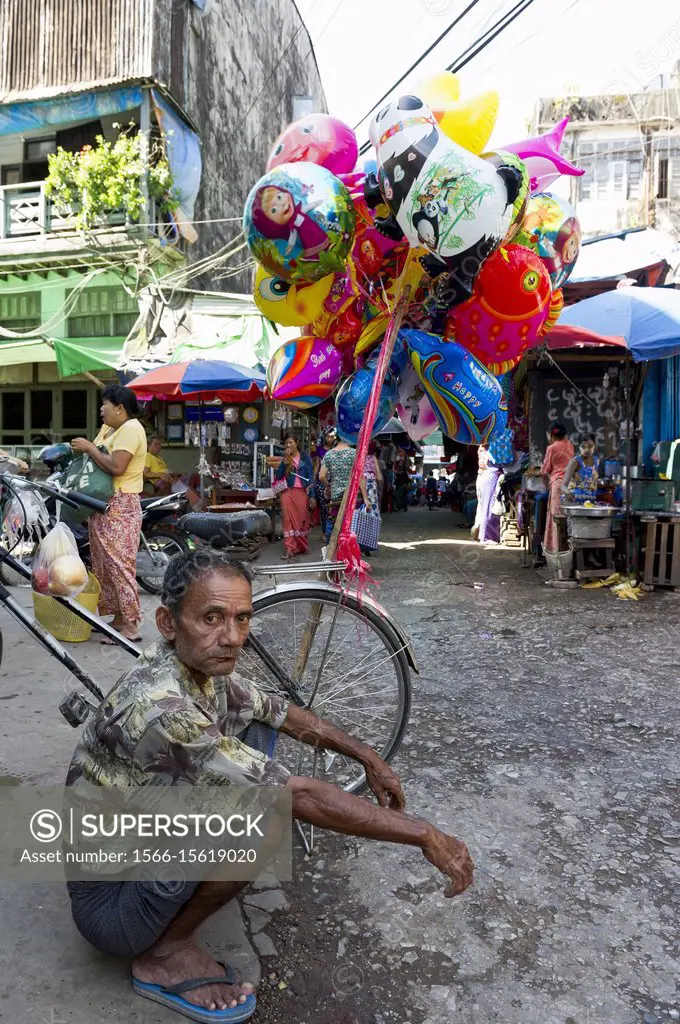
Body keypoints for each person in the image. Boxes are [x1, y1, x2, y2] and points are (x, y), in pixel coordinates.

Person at [65, 551, 474, 1020]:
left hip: (131, 855)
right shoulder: (165, 705)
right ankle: (164, 955)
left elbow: (275, 710)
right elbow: (294, 794)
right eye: (212, 618)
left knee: (256, 732)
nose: (233, 637)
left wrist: (367, 756)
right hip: (110, 909)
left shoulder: (194, 667)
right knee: (268, 817)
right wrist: (423, 833)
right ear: (168, 622)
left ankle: (177, 910)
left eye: (242, 619)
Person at [72, 385, 146, 642]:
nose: (101, 409)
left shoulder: (131, 429)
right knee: (103, 565)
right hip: (102, 504)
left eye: (105, 404)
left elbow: (116, 467)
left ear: (120, 408)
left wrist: (89, 449)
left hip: (121, 505)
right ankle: (117, 617)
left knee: (119, 565)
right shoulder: (110, 428)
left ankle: (131, 625)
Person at [319, 431, 367, 543]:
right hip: (352, 496)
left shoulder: (329, 454)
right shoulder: (354, 453)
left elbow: (321, 476)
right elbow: (360, 477)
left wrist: (329, 486)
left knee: (334, 521)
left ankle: (330, 546)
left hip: (336, 496)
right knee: (351, 524)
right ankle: (349, 550)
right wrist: (366, 497)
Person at [274, 434, 315, 559]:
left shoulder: (305, 458)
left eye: (290, 442)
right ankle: (290, 549)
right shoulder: (286, 459)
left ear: (296, 443)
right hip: (287, 492)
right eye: (286, 443)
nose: (288, 445)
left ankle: (301, 546)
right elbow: (279, 477)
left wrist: (312, 496)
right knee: (287, 520)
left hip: (302, 493)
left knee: (301, 520)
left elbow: (311, 477)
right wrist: (285, 461)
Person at [541, 423, 575, 552]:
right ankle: (567, 549)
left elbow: (545, 470)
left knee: (555, 518)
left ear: (550, 435)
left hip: (557, 485)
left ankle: (556, 550)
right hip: (570, 484)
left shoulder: (551, 448)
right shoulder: (569, 444)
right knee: (567, 518)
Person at [471, 443, 501, 543]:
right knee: (488, 508)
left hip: (485, 476)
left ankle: (484, 535)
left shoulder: (483, 447)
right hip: (489, 476)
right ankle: (486, 537)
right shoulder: (489, 447)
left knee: (485, 507)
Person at [562, 434, 600, 505]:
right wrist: (568, 493)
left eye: (590, 446)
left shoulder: (596, 461)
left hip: (590, 501)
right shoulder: (575, 461)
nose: (587, 450)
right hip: (574, 500)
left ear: (595, 446)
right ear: (579, 447)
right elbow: (563, 486)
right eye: (583, 447)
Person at [360, 440, 383, 555]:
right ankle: (368, 543)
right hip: (370, 487)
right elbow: (378, 475)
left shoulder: (358, 457)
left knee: (360, 513)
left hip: (358, 486)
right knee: (372, 513)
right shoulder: (373, 458)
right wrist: (379, 480)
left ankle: (358, 541)